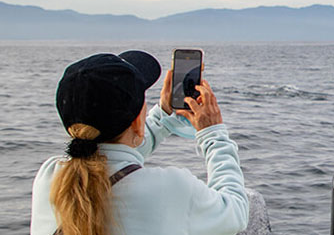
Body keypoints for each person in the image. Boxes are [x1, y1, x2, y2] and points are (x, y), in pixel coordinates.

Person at [30, 51, 249, 235]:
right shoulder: (171, 189)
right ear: (137, 121)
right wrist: (213, 132)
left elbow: (108, 158)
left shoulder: (49, 177)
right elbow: (236, 212)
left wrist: (162, 116)